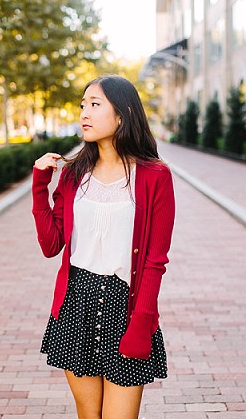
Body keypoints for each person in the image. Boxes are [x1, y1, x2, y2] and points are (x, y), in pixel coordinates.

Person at [31, 74, 176, 418]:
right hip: (74, 305)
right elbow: (52, 245)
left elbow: (155, 261)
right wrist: (39, 187)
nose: (85, 113)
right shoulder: (72, 174)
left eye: (95, 105)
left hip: (124, 309)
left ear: (123, 114)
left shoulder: (155, 177)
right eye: (83, 105)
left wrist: (142, 324)